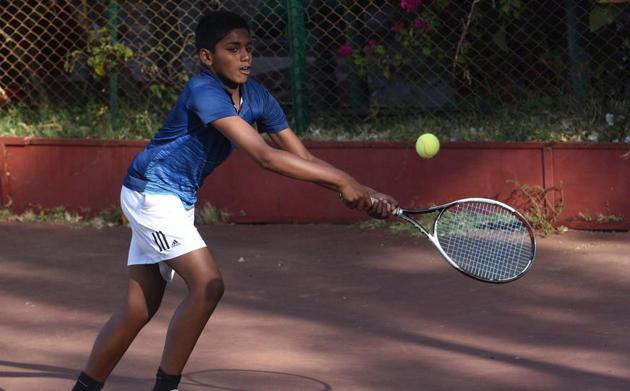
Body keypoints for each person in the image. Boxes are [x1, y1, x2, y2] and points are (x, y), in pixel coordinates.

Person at [72, 10, 397, 391]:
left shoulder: (258, 96)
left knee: (139, 307)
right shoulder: (202, 91)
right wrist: (343, 181)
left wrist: (363, 191)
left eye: (248, 48)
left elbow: (303, 159)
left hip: (178, 199)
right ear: (208, 57)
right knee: (208, 285)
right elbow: (265, 156)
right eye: (233, 49)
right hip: (151, 193)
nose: (245, 57)